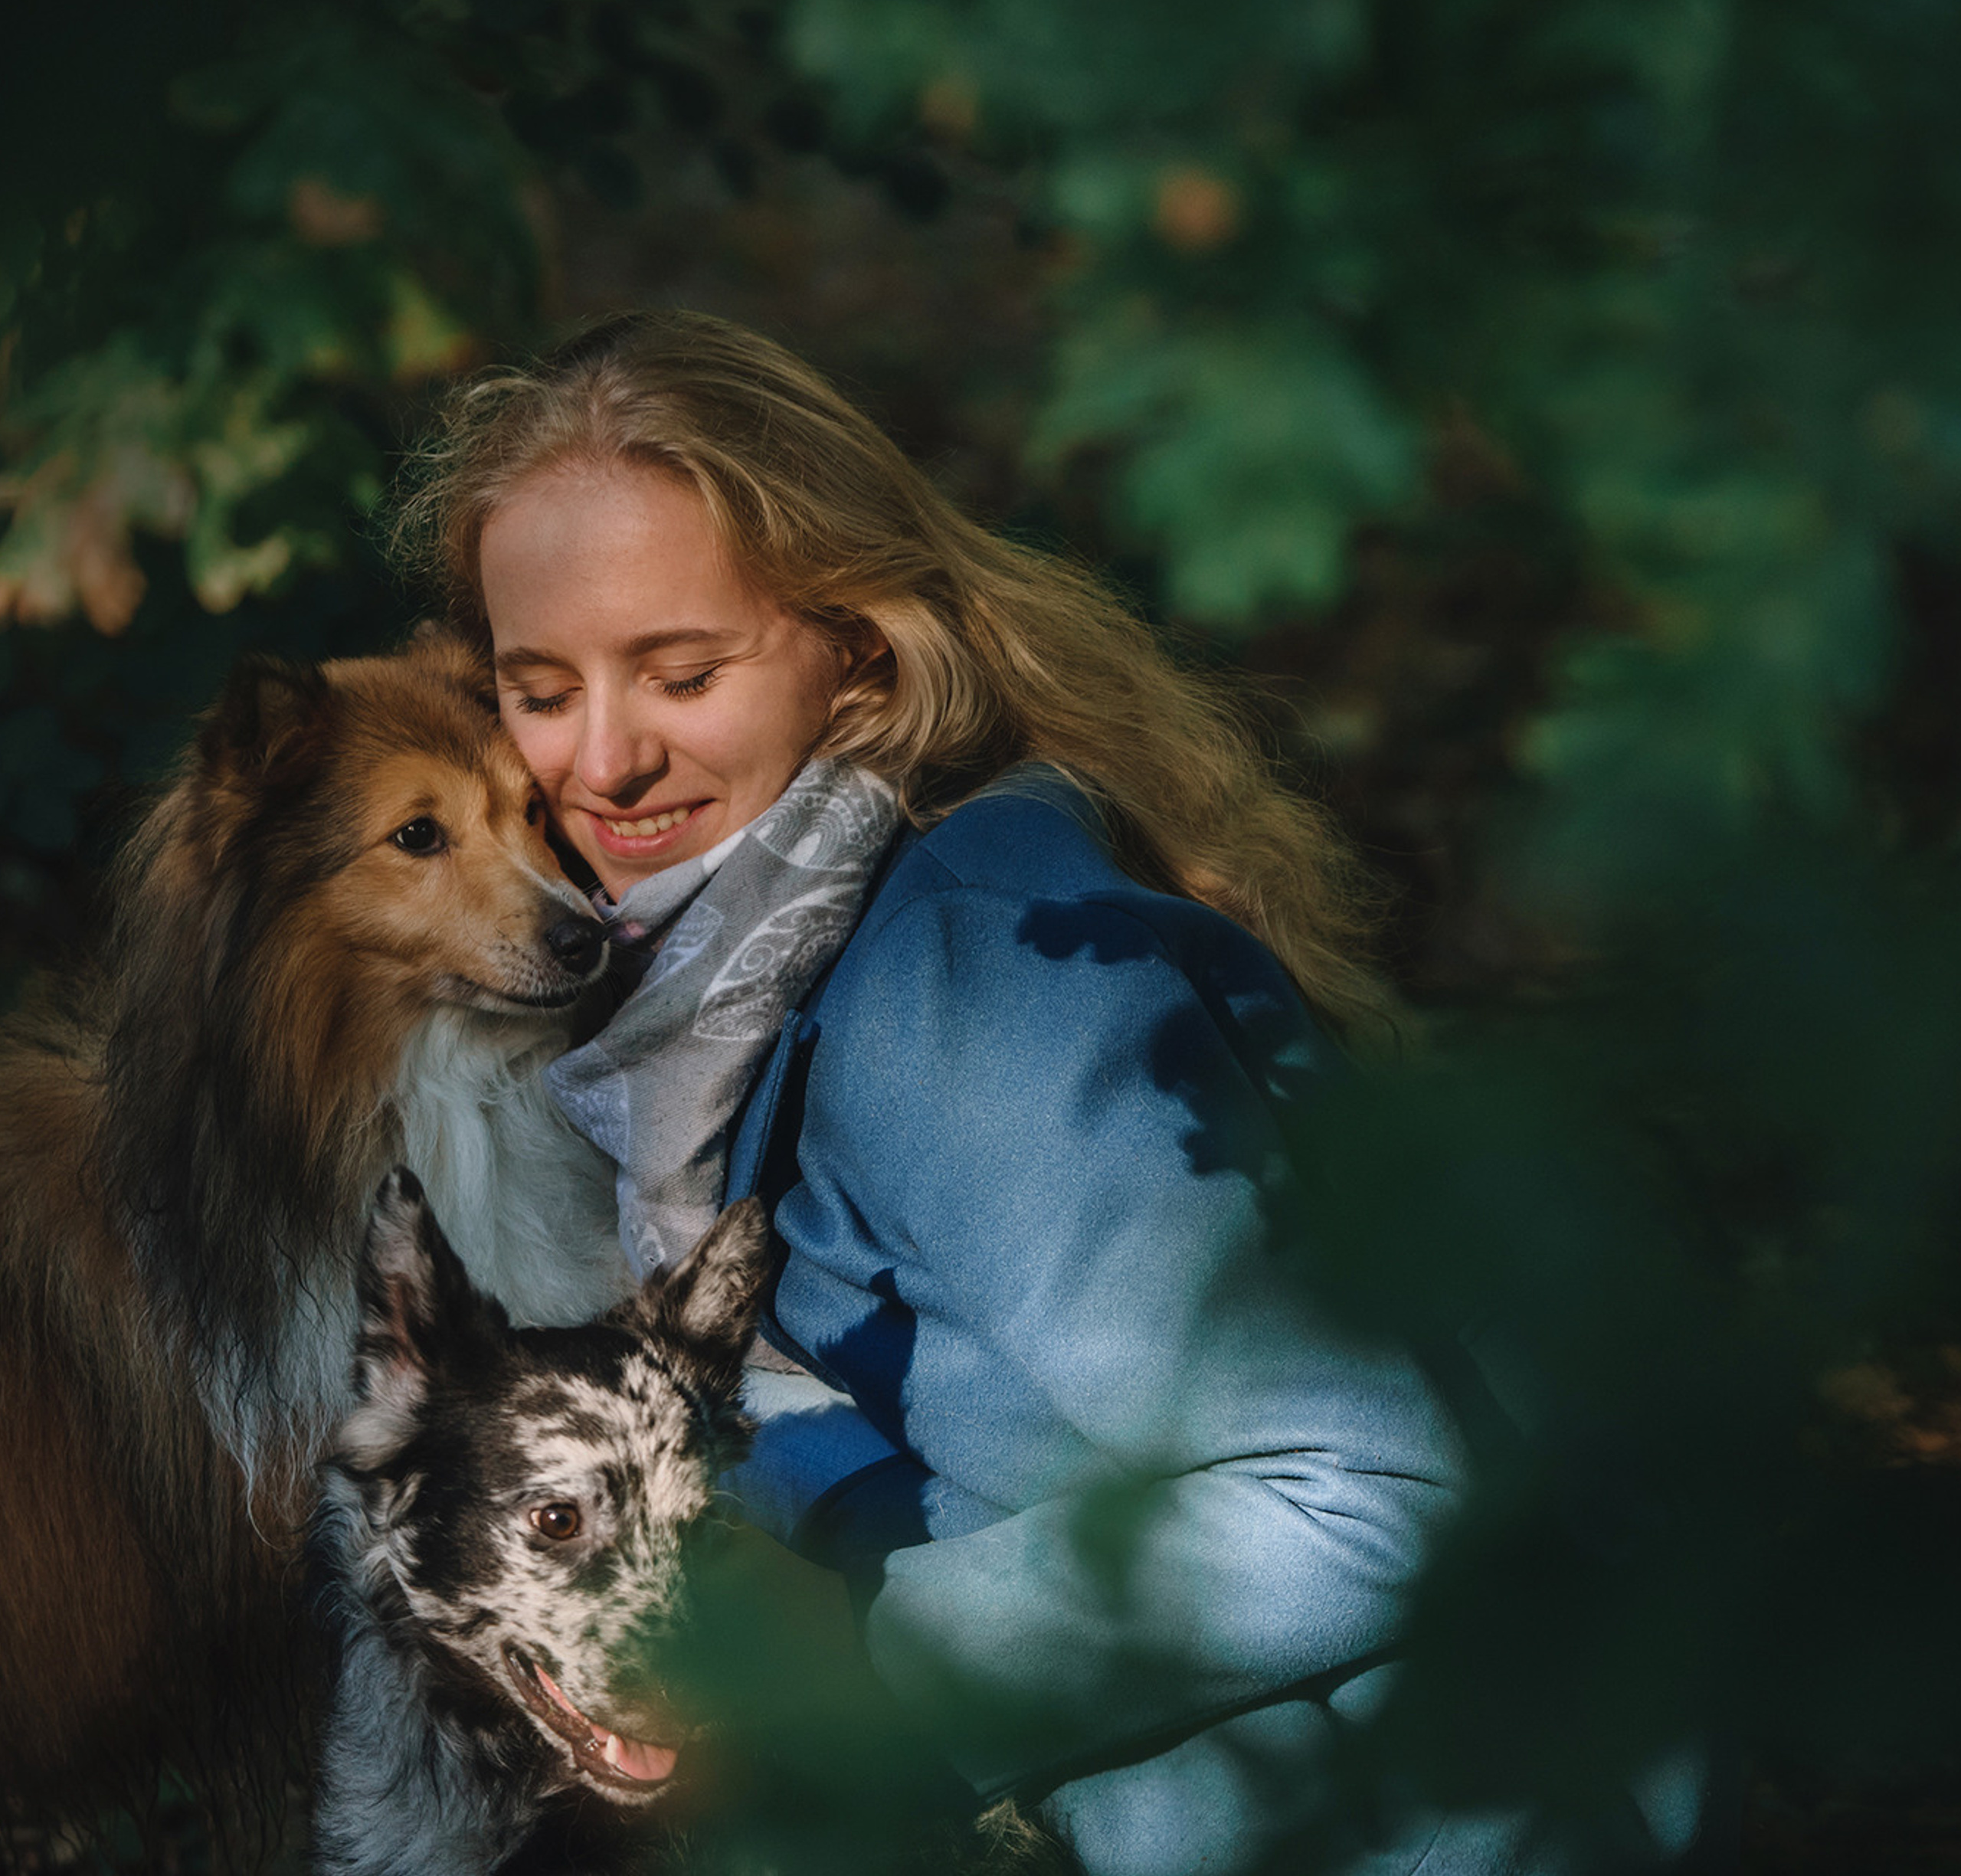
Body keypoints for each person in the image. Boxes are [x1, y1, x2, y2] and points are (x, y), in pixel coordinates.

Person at [391, 312, 1655, 1876]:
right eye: (538, 688)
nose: (606, 760)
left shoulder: (975, 977)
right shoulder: (736, 993)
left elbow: (1366, 1495)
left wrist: (846, 1665)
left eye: (681, 672)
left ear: (855, 645)